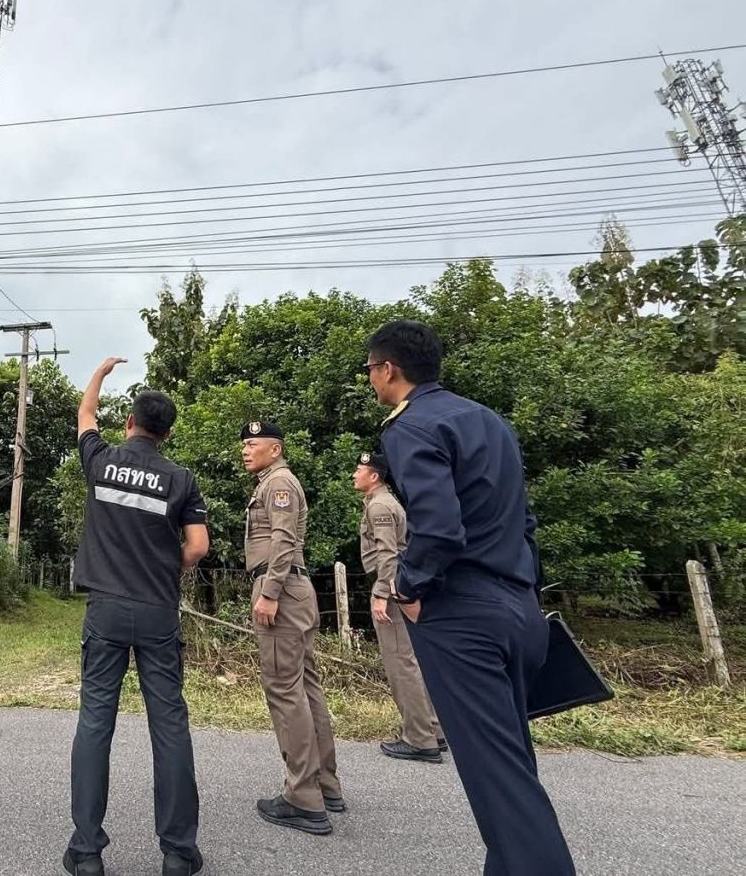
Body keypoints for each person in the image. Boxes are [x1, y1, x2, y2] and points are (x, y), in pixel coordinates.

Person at [365, 319, 576, 876]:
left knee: (501, 787)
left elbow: (438, 528)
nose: (371, 380)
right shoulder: (489, 421)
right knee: (509, 769)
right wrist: (525, 592)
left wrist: (408, 586)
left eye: (370, 370)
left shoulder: (410, 426)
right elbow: (524, 521)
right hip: (519, 606)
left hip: (462, 616)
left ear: (388, 369)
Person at [64, 357, 210, 876]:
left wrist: (100, 373)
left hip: (105, 608)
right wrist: (165, 562)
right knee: (169, 725)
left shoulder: (101, 461)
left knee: (95, 722)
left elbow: (85, 415)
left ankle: (86, 852)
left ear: (129, 422)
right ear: (166, 433)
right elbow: (198, 547)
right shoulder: (181, 479)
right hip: (157, 611)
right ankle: (178, 851)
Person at [240, 421, 345, 837]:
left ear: (275, 448)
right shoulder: (273, 481)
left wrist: (269, 592)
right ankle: (325, 785)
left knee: (284, 690)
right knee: (305, 688)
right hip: (292, 590)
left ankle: (303, 797)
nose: (246, 450)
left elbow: (283, 540)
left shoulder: (279, 483)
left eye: (253, 443)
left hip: (280, 590)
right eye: (244, 444)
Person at [353, 450, 444, 763]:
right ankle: (433, 729)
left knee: (400, 664)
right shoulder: (382, 502)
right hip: (398, 586)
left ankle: (419, 739)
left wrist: (382, 593)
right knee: (411, 661)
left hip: (390, 589)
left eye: (359, 470)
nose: (354, 474)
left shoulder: (380, 505)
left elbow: (388, 553)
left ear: (374, 476)